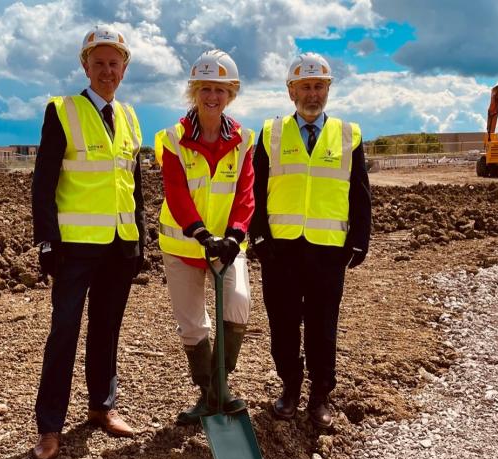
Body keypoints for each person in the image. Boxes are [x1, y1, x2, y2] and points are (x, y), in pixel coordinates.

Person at [30, 26, 145, 459]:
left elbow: (133, 184)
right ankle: (50, 427)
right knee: (64, 332)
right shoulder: (63, 111)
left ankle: (102, 407)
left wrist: (140, 239)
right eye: (98, 63)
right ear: (85, 65)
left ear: (124, 68)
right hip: (75, 247)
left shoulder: (131, 117)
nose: (107, 71)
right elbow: (44, 182)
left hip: (119, 245)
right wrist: (45, 241)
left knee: (106, 330)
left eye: (114, 63)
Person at [250, 52, 371, 428]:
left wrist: (359, 241)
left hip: (326, 251)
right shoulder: (270, 133)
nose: (312, 94)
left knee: (322, 326)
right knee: (283, 325)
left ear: (328, 89)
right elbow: (254, 189)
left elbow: (359, 192)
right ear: (291, 91)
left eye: (319, 86)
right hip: (280, 251)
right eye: (305, 86)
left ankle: (320, 396)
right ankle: (289, 387)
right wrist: (257, 238)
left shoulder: (348, 134)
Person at [154, 49, 254, 425]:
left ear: (232, 94)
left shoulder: (244, 139)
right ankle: (206, 392)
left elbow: (247, 191)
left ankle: (219, 390)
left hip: (228, 247)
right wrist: (200, 232)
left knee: (238, 303)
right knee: (193, 323)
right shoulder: (173, 138)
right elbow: (176, 192)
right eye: (205, 88)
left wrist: (234, 235)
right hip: (183, 246)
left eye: (221, 89)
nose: (213, 97)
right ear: (194, 91)